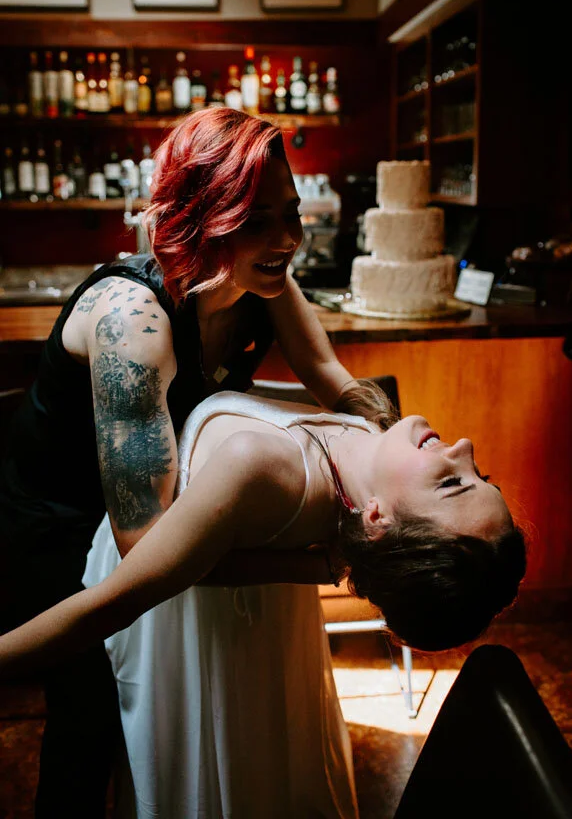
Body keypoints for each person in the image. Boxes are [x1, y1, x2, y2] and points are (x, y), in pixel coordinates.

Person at [0, 107, 372, 818]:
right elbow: (150, 550)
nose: (287, 239)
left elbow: (328, 371)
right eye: (256, 220)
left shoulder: (263, 278)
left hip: (147, 505)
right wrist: (318, 563)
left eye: (290, 214)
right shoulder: (130, 325)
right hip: (57, 523)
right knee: (90, 717)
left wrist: (388, 441)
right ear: (200, 216)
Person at [0, 385, 527, 817]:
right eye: (482, 479)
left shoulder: (258, 468)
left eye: (453, 484)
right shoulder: (374, 444)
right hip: (261, 624)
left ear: (377, 519)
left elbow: (114, 602)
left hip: (189, 631)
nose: (465, 448)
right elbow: (315, 353)